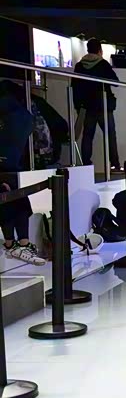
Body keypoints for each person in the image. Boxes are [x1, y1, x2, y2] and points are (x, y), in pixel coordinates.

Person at [0, 87, 45, 265]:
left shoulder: (15, 117)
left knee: (15, 195)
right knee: (9, 194)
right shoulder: (18, 116)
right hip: (8, 167)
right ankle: (14, 244)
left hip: (7, 168)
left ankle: (17, 244)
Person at [73, 38, 121, 171]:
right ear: (100, 50)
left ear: (88, 49)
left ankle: (86, 165)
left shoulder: (79, 66)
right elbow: (115, 82)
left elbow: (75, 87)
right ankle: (115, 165)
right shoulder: (103, 64)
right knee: (110, 136)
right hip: (103, 105)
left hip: (88, 106)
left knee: (87, 136)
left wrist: (78, 106)